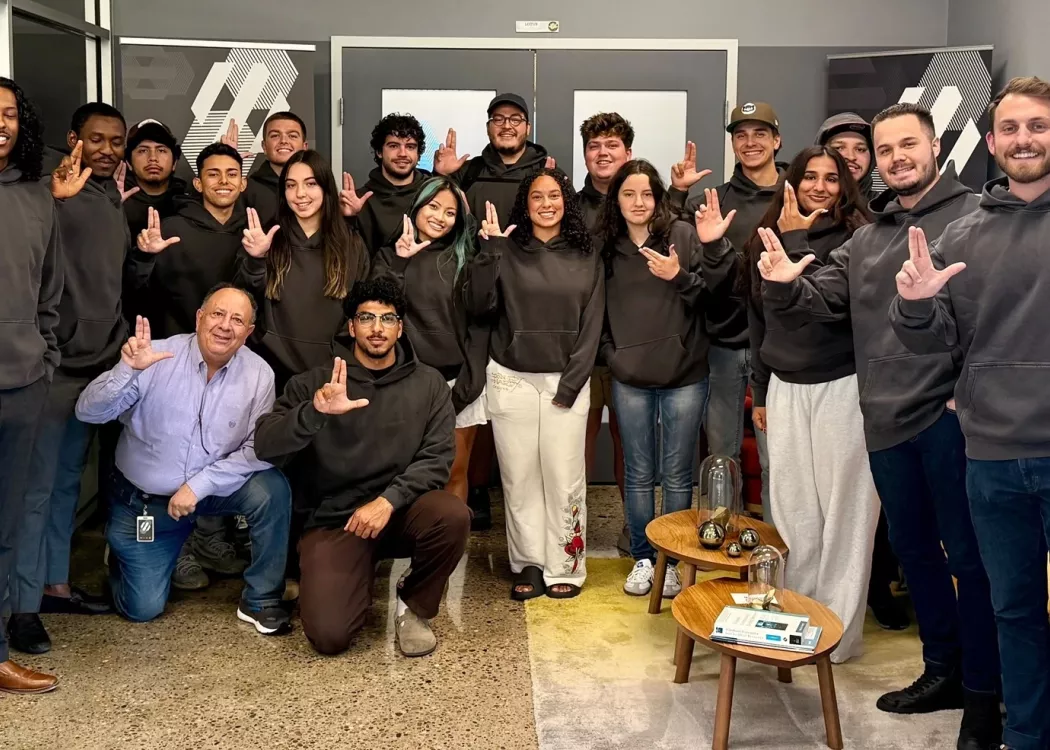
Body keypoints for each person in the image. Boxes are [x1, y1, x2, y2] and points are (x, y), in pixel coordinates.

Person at [756, 102, 1000, 750]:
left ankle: (984, 691)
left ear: (935, 145)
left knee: (969, 560)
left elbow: (1000, 316)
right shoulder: (868, 237)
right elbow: (819, 299)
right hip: (885, 422)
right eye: (884, 149)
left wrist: (969, 395)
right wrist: (782, 283)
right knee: (915, 555)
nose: (895, 158)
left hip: (951, 423)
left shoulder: (977, 218)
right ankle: (942, 670)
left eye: (906, 145)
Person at [889, 75, 1050, 750]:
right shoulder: (962, 233)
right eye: (1010, 128)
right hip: (989, 458)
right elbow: (930, 340)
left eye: (1037, 126)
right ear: (991, 142)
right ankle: (1027, 735)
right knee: (1013, 610)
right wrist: (916, 303)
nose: (1023, 139)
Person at [255, 278, 468, 657]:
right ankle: (348, 579)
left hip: (400, 511)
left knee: (452, 514)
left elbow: (436, 461)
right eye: (366, 318)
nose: (377, 328)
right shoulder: (315, 384)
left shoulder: (430, 384)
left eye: (388, 319)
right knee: (329, 637)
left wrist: (388, 501)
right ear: (351, 326)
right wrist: (314, 413)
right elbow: (266, 446)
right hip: (337, 520)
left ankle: (414, 605)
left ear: (400, 327)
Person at [8, 102, 146, 657]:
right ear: (73, 140)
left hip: (101, 362)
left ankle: (54, 584)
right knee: (35, 490)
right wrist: (48, 351)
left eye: (117, 141)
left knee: (67, 480)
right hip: (57, 367)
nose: (109, 149)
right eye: (97, 139)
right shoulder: (50, 194)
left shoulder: (111, 197)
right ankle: (21, 610)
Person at [75, 286, 291, 635]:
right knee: (141, 608)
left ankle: (261, 600)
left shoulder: (259, 374)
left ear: (248, 332)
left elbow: (256, 448)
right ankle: (123, 555)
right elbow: (88, 412)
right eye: (217, 314)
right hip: (149, 503)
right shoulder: (155, 356)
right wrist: (126, 370)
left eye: (238, 320)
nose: (225, 326)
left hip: (211, 492)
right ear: (199, 318)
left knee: (272, 489)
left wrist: (197, 485)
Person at [743, 146, 877, 663]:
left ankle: (838, 633)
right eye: (810, 177)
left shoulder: (861, 238)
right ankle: (800, 622)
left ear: (845, 186)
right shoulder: (765, 236)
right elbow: (758, 318)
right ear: (790, 182)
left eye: (831, 178)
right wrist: (760, 385)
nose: (820, 186)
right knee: (795, 511)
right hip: (784, 386)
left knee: (847, 510)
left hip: (843, 386)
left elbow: (823, 301)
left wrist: (799, 243)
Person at [465, 168, 603, 601]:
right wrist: (489, 253)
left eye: (555, 195)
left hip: (567, 380)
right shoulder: (506, 249)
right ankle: (528, 562)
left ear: (567, 202)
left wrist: (572, 384)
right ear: (525, 205)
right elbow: (478, 305)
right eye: (537, 197)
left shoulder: (587, 253)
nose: (547, 203)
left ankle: (566, 563)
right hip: (510, 379)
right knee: (519, 478)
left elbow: (593, 324)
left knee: (564, 477)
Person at [598, 160, 729, 597]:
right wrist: (611, 357)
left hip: (685, 374)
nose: (638, 203)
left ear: (658, 199)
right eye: (628, 194)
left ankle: (670, 562)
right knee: (638, 474)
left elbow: (713, 300)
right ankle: (642, 557)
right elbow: (592, 309)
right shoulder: (604, 246)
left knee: (676, 474)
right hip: (629, 376)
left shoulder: (683, 236)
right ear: (616, 200)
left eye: (646, 194)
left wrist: (680, 278)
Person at [131, 141, 251, 591]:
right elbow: (136, 292)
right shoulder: (172, 227)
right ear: (198, 182)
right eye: (213, 173)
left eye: (231, 173)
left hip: (232, 362)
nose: (223, 181)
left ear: (243, 182)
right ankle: (174, 542)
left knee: (220, 446)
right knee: (170, 449)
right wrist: (145, 257)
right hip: (173, 359)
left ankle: (209, 537)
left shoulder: (255, 229)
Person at [434, 93, 553, 529]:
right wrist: (441, 175)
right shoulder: (469, 173)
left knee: (513, 399)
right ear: (488, 127)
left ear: (527, 127)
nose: (507, 126)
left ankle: (524, 494)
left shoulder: (546, 171)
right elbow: (437, 214)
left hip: (527, 299)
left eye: (516, 119)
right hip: (474, 295)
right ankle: (477, 488)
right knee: (475, 394)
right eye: (498, 119)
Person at [669, 102, 785, 509]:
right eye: (740, 135)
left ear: (776, 140)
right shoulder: (713, 200)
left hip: (777, 351)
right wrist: (679, 192)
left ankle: (773, 551)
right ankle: (725, 547)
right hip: (723, 346)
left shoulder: (796, 194)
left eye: (759, 134)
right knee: (722, 459)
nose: (749, 142)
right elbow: (661, 230)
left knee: (777, 463)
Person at [0, 76, 62, 694]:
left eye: (11, 113)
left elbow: (51, 291)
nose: (2, 121)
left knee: (7, 525)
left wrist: (44, 357)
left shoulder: (37, 198)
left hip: (21, 385)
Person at [372, 176, 488, 501]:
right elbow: (377, 313)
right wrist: (400, 261)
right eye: (432, 206)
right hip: (405, 383)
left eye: (449, 212)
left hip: (457, 382)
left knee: (454, 471)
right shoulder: (388, 255)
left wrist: (472, 378)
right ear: (417, 207)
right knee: (402, 474)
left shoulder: (466, 258)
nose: (439, 217)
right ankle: (402, 550)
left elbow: (482, 320)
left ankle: (453, 552)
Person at [234, 148, 369, 392]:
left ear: (326, 188)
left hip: (331, 372)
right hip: (269, 372)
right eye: (290, 185)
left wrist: (338, 358)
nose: (300, 194)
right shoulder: (266, 238)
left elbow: (362, 307)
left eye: (310, 184)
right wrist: (256, 260)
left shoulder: (351, 244)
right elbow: (243, 303)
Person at [577, 112, 630, 549]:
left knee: (629, 444)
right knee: (577, 447)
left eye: (612, 145)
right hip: (580, 347)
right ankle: (571, 535)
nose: (603, 152)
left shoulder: (643, 200)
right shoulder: (569, 207)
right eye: (594, 146)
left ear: (627, 153)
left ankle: (637, 530)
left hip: (632, 345)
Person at [353, 113, 430, 254]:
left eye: (410, 147)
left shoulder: (434, 192)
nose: (403, 153)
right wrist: (347, 219)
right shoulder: (360, 201)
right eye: (394, 146)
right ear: (379, 152)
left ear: (418, 154)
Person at [232, 111, 308, 227]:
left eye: (292, 136)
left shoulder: (319, 185)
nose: (283, 141)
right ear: (264, 147)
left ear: (304, 147)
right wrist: (226, 159)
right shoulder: (247, 188)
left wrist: (346, 217)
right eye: (275, 136)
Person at [123, 119, 186, 237]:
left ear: (174, 163)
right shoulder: (115, 201)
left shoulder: (187, 204)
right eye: (143, 150)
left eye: (161, 150)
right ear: (128, 163)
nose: (153, 158)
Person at [817, 113, 877, 201]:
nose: (851, 156)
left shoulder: (883, 209)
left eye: (860, 149)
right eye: (839, 148)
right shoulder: (795, 205)